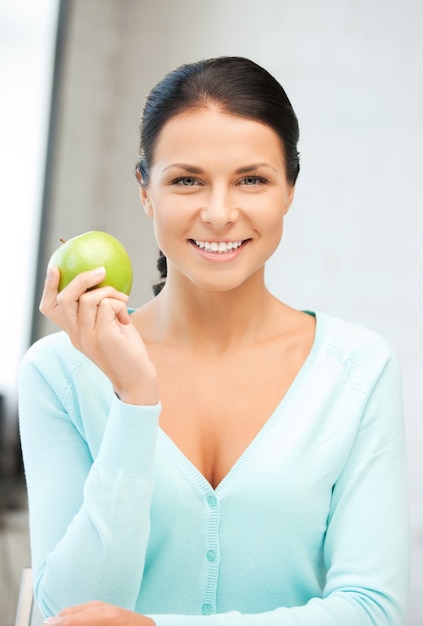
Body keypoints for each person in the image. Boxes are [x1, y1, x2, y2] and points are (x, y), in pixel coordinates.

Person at [19, 56, 409, 626]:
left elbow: (374, 612)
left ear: (289, 191)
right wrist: (134, 398)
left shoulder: (359, 369)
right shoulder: (59, 372)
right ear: (146, 190)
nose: (220, 213)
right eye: (186, 180)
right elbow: (67, 614)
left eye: (252, 179)